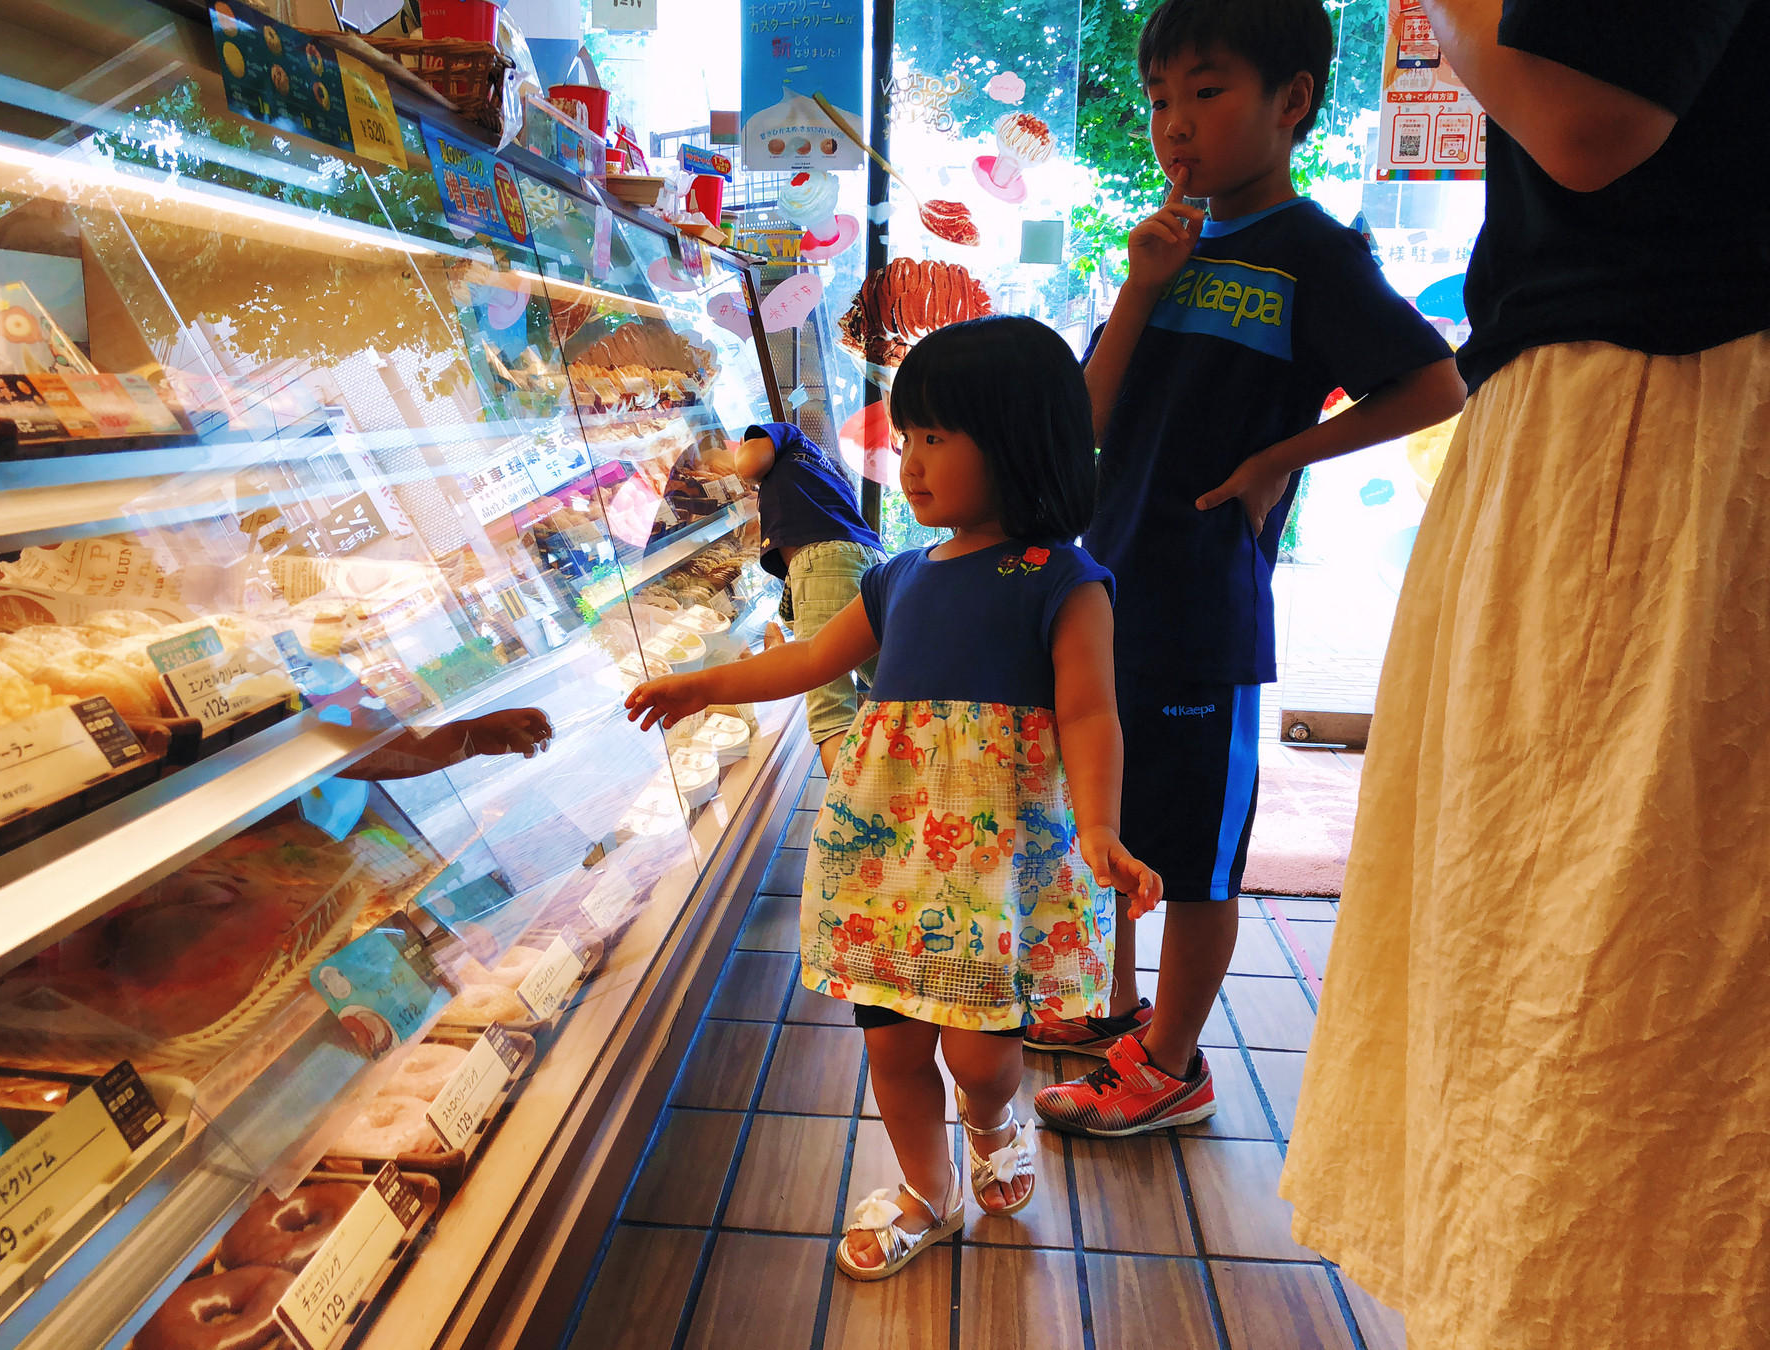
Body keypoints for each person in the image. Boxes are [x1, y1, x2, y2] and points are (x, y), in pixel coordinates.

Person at [1279, 1, 1770, 1345]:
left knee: (1590, 972)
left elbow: (1591, 115)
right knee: (1580, 967)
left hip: (1658, 423)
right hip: (1641, 415)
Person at [627, 316, 1163, 1281]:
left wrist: (1102, 828)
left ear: (1020, 442)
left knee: (982, 1056)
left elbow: (1090, 717)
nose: (910, 464)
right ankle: (927, 1189)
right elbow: (808, 658)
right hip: (884, 858)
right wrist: (705, 681)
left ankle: (993, 1120)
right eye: (908, 438)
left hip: (995, 869)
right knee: (893, 1049)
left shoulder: (1065, 581)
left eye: (937, 439)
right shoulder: (899, 577)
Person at [1029, 0, 1465, 1136]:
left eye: (1206, 93)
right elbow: (1080, 418)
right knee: (1111, 818)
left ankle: (1171, 1064)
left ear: (1292, 101)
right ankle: (1113, 1007)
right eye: (1161, 100)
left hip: (1203, 606)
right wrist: (1138, 283)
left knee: (1201, 852)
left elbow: (1431, 384)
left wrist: (1283, 455)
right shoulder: (1168, 247)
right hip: (1106, 589)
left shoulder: (1314, 253)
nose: (1175, 126)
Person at [732, 420, 884, 774]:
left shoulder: (788, 434)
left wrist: (743, 458)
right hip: (867, 560)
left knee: (831, 709)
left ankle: (852, 815)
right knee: (891, 680)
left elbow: (749, 463)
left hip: (825, 564)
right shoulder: (819, 469)